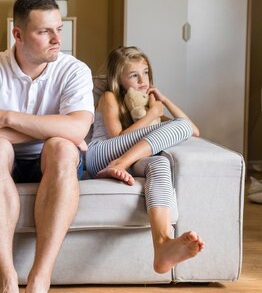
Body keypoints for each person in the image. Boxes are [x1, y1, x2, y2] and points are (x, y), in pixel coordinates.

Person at [0, 0, 94, 293]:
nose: (56, 39)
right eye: (44, 32)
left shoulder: (74, 70)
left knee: (63, 148)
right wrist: (56, 124)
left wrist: (6, 117)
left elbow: (79, 129)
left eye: (59, 30)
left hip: (50, 162)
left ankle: (39, 282)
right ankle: (6, 283)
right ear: (18, 34)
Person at [85, 46, 205, 275]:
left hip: (130, 159)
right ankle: (118, 165)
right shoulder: (109, 98)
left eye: (145, 73)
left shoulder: (147, 103)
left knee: (160, 163)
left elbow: (194, 130)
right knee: (178, 127)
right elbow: (118, 136)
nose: (142, 80)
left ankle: (162, 247)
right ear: (118, 79)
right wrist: (152, 116)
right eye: (133, 75)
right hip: (100, 155)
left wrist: (164, 101)